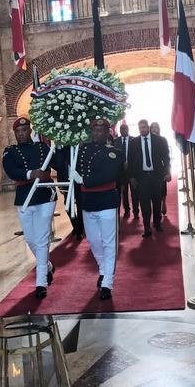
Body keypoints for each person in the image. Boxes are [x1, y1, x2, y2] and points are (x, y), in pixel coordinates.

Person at [2, 117, 57, 299]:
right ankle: (47, 266)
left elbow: (57, 161)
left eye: (24, 130)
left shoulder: (43, 148)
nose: (21, 133)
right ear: (15, 133)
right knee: (30, 239)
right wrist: (30, 173)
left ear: (30, 130)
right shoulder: (10, 152)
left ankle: (41, 282)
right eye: (18, 131)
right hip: (25, 197)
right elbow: (11, 171)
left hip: (45, 195)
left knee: (41, 238)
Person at [77, 118, 124, 299]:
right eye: (94, 130)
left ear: (108, 133)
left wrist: (83, 180)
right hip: (88, 202)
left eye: (101, 130)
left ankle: (108, 283)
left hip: (106, 201)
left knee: (108, 242)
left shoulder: (114, 153)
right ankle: (103, 269)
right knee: (93, 241)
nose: (97, 133)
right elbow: (67, 160)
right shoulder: (82, 150)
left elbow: (109, 174)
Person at [128, 119, 171, 237]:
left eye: (144, 127)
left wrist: (167, 172)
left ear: (148, 127)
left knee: (157, 201)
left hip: (157, 176)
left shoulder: (160, 140)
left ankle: (157, 223)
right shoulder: (133, 142)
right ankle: (147, 227)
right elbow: (130, 161)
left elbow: (166, 158)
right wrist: (131, 177)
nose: (142, 129)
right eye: (140, 128)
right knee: (144, 203)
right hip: (142, 178)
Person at [55, 145, 85, 240]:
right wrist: (60, 182)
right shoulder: (63, 149)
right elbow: (59, 166)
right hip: (67, 182)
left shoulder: (83, 149)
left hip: (80, 182)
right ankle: (76, 226)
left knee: (81, 206)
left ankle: (80, 228)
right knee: (68, 206)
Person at [113, 124, 139, 219]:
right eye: (121, 129)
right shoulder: (116, 141)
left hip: (132, 170)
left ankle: (136, 211)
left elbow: (137, 156)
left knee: (134, 192)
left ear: (128, 129)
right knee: (124, 193)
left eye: (125, 129)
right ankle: (126, 210)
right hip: (121, 172)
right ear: (120, 130)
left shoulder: (134, 140)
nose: (123, 130)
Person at [150, 122, 170, 216]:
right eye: (152, 127)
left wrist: (167, 171)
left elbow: (166, 157)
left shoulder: (163, 140)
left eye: (156, 127)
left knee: (162, 188)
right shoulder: (147, 140)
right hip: (150, 170)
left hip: (160, 169)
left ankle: (164, 203)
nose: (154, 129)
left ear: (159, 129)